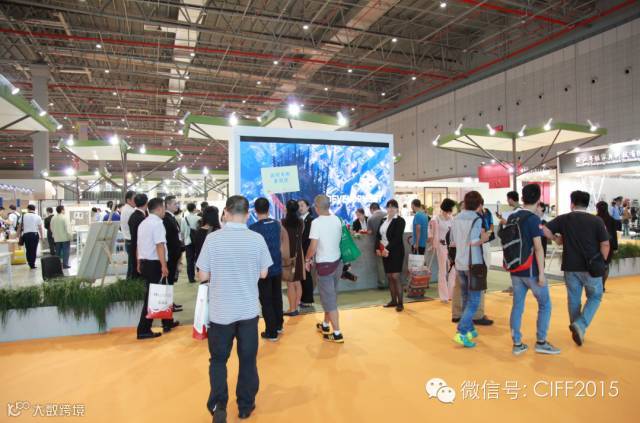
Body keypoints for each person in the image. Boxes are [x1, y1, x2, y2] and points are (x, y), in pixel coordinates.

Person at [197, 196, 272, 422]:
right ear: (247, 215)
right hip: (248, 311)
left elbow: (203, 275)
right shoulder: (257, 239)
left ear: (226, 213)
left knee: (218, 360)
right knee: (248, 360)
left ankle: (219, 405)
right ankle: (245, 406)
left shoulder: (213, 239)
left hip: (221, 312)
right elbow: (264, 273)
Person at [542, 190, 610, 347]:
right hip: (592, 267)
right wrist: (601, 261)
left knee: (573, 299)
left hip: (570, 267)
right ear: (587, 204)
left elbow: (544, 229)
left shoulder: (564, 219)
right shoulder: (597, 221)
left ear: (572, 203)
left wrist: (556, 239)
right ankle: (580, 325)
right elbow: (605, 244)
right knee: (595, 296)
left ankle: (577, 328)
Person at [508, 184, 560, 356]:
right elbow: (538, 248)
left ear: (522, 198)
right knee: (545, 304)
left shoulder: (512, 217)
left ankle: (517, 343)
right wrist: (542, 274)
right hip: (531, 270)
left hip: (515, 268)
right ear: (538, 199)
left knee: (517, 306)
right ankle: (541, 342)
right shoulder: (533, 219)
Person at [450, 191, 490, 348]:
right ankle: (461, 331)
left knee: (466, 297)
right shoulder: (476, 219)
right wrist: (484, 238)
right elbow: (474, 241)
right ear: (479, 205)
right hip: (473, 263)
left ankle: (469, 328)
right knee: (474, 301)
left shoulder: (456, 218)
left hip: (460, 262)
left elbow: (453, 241)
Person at [136, 197, 179, 340]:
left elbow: (138, 245)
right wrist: (164, 265)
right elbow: (160, 245)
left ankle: (167, 321)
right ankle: (143, 329)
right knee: (152, 297)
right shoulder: (157, 223)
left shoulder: (143, 223)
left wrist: (138, 262)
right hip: (155, 264)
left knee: (161, 293)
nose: (164, 212)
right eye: (163, 209)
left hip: (145, 262)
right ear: (159, 208)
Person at [305, 194, 344, 343]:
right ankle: (326, 325)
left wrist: (307, 259)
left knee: (329, 299)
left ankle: (337, 333)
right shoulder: (337, 219)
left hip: (324, 265)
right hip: (337, 263)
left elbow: (313, 247)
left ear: (316, 207)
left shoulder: (316, 223)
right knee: (331, 296)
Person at [249, 198, 286, 340]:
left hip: (262, 270)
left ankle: (271, 332)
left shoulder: (253, 228)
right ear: (269, 208)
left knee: (266, 300)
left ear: (255, 210)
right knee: (277, 297)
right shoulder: (277, 224)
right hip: (277, 266)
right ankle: (279, 325)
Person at [376, 199, 406, 311]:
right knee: (389, 276)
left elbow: (397, 238)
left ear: (397, 209)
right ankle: (393, 300)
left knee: (395, 276)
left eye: (393, 207)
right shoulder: (383, 220)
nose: (391, 209)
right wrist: (377, 248)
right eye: (388, 207)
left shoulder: (400, 221)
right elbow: (378, 236)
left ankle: (400, 303)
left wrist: (386, 249)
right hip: (384, 251)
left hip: (396, 251)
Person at [428, 198, 457, 302]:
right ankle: (444, 296)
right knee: (442, 271)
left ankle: (451, 294)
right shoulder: (435, 219)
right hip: (441, 246)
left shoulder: (452, 219)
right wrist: (432, 244)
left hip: (452, 247)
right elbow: (431, 234)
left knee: (452, 270)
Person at [281, 200, 306, 317]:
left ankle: (292, 309)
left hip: (287, 255)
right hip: (299, 254)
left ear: (286, 209)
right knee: (297, 282)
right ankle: (296, 307)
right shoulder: (301, 222)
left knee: (290, 283)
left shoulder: (282, 222)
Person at [162, 196, 183, 312]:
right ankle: (168, 305)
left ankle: (170, 303)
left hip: (173, 254)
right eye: (175, 204)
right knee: (169, 280)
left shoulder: (171, 217)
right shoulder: (166, 218)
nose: (177, 206)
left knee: (171, 281)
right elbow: (169, 239)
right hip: (170, 255)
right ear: (167, 205)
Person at [596, 201, 618, 292]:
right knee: (606, 265)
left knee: (597, 265)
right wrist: (615, 247)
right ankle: (602, 285)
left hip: (597, 245)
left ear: (597, 208)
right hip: (609, 244)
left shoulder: (595, 219)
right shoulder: (611, 219)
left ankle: (597, 285)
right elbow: (614, 234)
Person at [298, 199, 315, 307]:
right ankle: (303, 298)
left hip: (307, 251)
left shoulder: (311, 220)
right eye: (299, 206)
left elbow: (308, 237)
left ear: (308, 207)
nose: (300, 208)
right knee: (302, 275)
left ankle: (308, 300)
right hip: (300, 251)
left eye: (302, 205)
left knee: (307, 275)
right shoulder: (301, 219)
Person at [368, 202, 388, 290]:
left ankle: (382, 283)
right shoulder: (387, 215)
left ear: (372, 209)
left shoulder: (371, 218)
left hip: (378, 244)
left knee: (380, 264)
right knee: (390, 262)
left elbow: (370, 232)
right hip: (389, 243)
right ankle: (391, 282)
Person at [128, 193, 148, 279]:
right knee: (140, 275)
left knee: (135, 273)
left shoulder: (133, 216)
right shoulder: (141, 218)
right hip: (140, 250)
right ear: (146, 203)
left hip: (134, 247)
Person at [180, 202, 200, 283]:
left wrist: (183, 240)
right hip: (197, 242)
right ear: (194, 209)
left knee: (189, 260)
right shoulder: (199, 218)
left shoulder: (184, 219)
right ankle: (200, 275)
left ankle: (191, 278)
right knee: (199, 259)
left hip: (188, 242)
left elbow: (182, 231)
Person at [19, 204, 44, 269]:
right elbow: (40, 227)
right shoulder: (38, 216)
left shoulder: (23, 216)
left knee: (28, 249)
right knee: (33, 249)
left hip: (26, 235)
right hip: (34, 235)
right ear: (34, 209)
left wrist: (17, 235)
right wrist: (42, 236)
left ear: (28, 209)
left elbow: (20, 226)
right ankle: (32, 264)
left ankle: (29, 262)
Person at [121, 191, 137, 279]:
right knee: (133, 267)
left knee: (131, 266)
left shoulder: (125, 209)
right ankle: (130, 284)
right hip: (131, 241)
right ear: (128, 200)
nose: (136, 200)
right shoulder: (130, 211)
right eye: (135, 199)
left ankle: (129, 283)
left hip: (128, 241)